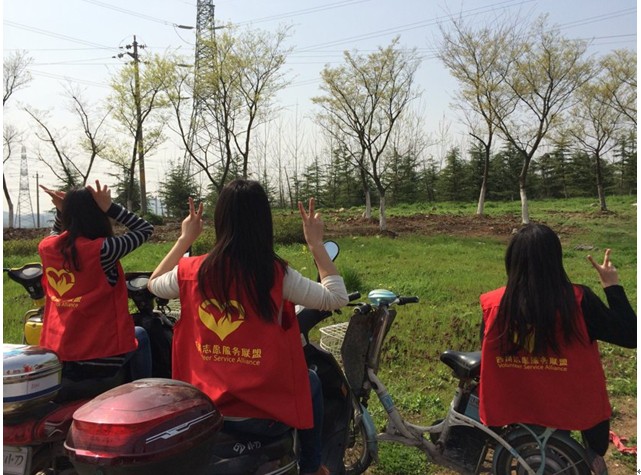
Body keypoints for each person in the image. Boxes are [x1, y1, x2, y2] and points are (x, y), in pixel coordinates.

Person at [148, 179, 348, 475]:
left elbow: (153, 283)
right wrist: (316, 244)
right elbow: (337, 297)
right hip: (264, 416)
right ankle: (310, 466)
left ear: (220, 220)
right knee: (311, 381)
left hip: (206, 412)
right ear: (263, 222)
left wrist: (185, 239)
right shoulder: (275, 274)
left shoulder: (191, 273)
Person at [478, 223, 636, 475]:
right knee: (594, 450)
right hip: (574, 408)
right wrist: (612, 285)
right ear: (555, 259)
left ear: (512, 261)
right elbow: (630, 335)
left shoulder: (493, 305)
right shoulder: (579, 301)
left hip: (516, 407)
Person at [39, 180, 154, 382]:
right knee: (141, 335)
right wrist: (110, 207)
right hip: (102, 355)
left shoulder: (47, 248)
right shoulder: (104, 250)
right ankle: (140, 394)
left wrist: (61, 212)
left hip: (60, 356)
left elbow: (55, 234)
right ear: (97, 214)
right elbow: (145, 229)